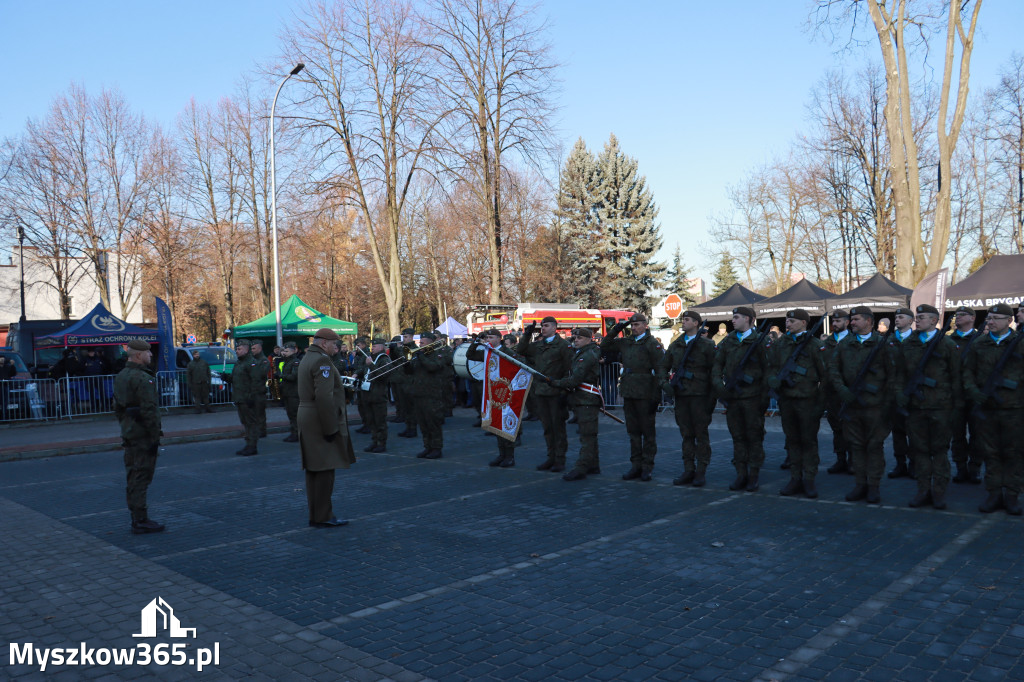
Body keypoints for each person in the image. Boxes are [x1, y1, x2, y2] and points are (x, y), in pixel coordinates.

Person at [828, 306, 899, 504]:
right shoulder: (845, 344)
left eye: (856, 319)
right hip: (852, 406)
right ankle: (860, 484)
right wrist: (842, 390)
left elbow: (893, 375)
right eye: (852, 319)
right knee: (856, 447)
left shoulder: (884, 343)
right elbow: (833, 369)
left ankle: (874, 486)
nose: (852, 322)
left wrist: (887, 403)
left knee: (874, 447)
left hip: (875, 407)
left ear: (869, 321)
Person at [897, 304, 960, 510]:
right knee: (920, 450)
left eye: (922, 317)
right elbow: (899, 374)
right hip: (916, 407)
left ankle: (939, 491)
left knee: (940, 451)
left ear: (934, 321)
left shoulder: (947, 344)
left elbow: (956, 376)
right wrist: (901, 396)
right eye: (917, 317)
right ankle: (923, 490)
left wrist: (955, 405)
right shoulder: (909, 344)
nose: (917, 320)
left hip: (941, 407)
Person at [962, 304, 1023, 514]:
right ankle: (994, 493)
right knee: (991, 453)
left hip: (1014, 410)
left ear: (1009, 321)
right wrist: (973, 391)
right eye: (989, 317)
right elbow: (967, 372)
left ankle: (1012, 496)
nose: (991, 321)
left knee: (1014, 454)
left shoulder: (1020, 343)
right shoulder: (979, 344)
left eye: (996, 318)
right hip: (987, 409)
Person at [297, 328, 354, 528]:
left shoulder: (308, 357)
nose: (336, 347)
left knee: (314, 471)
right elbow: (323, 397)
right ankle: (323, 516)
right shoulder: (322, 361)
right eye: (333, 344)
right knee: (324, 471)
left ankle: (317, 515)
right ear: (324, 343)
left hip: (309, 416)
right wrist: (331, 428)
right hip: (319, 419)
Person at [768, 309, 827, 499]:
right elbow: (772, 367)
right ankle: (795, 477)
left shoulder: (814, 344)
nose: (788, 323)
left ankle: (809, 479)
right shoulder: (781, 344)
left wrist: (820, 403)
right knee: (792, 440)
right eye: (787, 320)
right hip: (787, 400)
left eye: (792, 321)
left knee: (808, 441)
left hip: (808, 401)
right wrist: (774, 380)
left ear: (803, 323)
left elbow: (825, 376)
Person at [602, 312, 665, 481]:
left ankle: (647, 467)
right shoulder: (627, 342)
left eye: (637, 325)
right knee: (633, 432)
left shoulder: (652, 344)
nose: (634, 328)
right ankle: (635, 466)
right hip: (629, 391)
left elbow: (660, 371)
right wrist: (617, 328)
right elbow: (605, 344)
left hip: (646, 393)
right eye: (632, 325)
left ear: (645, 325)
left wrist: (657, 397)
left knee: (648, 433)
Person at [657, 310, 716, 487]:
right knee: (686, 435)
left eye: (687, 319)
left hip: (700, 396)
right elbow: (663, 366)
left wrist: (712, 398)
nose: (683, 322)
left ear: (697, 323)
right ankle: (688, 469)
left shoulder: (707, 344)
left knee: (701, 435)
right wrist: (664, 384)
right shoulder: (676, 345)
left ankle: (701, 471)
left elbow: (715, 371)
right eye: (683, 319)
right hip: (681, 396)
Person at [712, 306, 768, 492]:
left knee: (754, 437)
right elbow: (717, 365)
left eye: (736, 317)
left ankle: (754, 475)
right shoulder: (729, 341)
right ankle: (741, 474)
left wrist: (764, 398)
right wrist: (720, 388)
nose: (733, 321)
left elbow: (769, 370)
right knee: (737, 437)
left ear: (748, 319)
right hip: (733, 397)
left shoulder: (760, 340)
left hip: (752, 398)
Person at [113, 339, 164, 534]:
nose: (151, 355)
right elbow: (149, 410)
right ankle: (140, 519)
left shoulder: (122, 376)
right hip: (143, 435)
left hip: (130, 432)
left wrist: (127, 426)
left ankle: (137, 516)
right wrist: (154, 436)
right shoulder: (143, 378)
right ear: (138, 355)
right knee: (141, 477)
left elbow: (117, 408)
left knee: (133, 476)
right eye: (148, 353)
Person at [517, 316, 574, 473]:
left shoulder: (564, 346)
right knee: (547, 427)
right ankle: (551, 457)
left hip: (556, 392)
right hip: (541, 392)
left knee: (558, 428)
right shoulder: (538, 345)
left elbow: (569, 370)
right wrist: (527, 335)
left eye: (547, 325)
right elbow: (521, 350)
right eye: (542, 326)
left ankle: (560, 460)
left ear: (555, 327)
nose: (543, 328)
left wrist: (565, 392)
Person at [551, 328, 603, 481]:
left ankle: (582, 467)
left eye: (579, 338)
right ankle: (593, 464)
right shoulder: (581, 353)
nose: (576, 340)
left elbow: (575, 379)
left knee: (587, 436)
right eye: (574, 338)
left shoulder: (586, 356)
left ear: (589, 339)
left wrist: (555, 383)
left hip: (586, 399)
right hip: (582, 399)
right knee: (589, 434)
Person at [468, 329, 519, 467]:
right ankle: (501, 454)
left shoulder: (506, 351)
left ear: (499, 338)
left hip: (505, 391)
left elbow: (518, 366)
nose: (488, 339)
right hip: (492, 392)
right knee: (496, 423)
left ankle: (510, 456)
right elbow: (470, 355)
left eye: (491, 337)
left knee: (505, 425)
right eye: (487, 337)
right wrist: (476, 341)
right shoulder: (487, 351)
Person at [949, 306, 982, 484]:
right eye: (956, 315)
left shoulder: (981, 340)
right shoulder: (947, 340)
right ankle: (961, 467)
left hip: (975, 394)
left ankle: (975, 467)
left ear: (972, 318)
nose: (958, 318)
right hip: (955, 394)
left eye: (962, 315)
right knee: (958, 434)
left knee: (978, 434)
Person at [886, 307, 915, 480]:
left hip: (912, 393)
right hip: (892, 393)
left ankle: (914, 464)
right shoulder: (888, 339)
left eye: (901, 317)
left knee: (914, 431)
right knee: (897, 431)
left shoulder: (918, 340)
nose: (897, 319)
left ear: (911, 320)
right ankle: (900, 464)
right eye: (896, 317)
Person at [408, 331, 447, 459]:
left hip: (432, 394)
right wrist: (407, 361)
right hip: (418, 394)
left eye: (423, 342)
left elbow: (433, 367)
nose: (421, 344)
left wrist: (421, 357)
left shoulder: (438, 354)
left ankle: (437, 448)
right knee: (423, 423)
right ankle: (427, 447)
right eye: (420, 342)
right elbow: (410, 371)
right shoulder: (419, 356)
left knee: (433, 423)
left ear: (431, 342)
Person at [824, 309, 852, 475]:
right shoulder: (827, 342)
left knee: (851, 428)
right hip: (832, 393)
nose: (834, 324)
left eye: (838, 321)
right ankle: (840, 459)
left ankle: (853, 461)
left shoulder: (853, 340)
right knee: (837, 429)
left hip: (849, 392)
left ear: (847, 322)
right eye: (833, 321)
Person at [360, 338, 392, 453]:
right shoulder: (370, 358)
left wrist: (371, 365)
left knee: (380, 421)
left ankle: (381, 443)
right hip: (368, 394)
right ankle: (374, 441)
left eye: (375, 346)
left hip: (378, 395)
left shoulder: (384, 359)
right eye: (372, 346)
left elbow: (383, 375)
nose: (372, 348)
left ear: (381, 347)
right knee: (371, 420)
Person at [395, 329, 418, 436]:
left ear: (411, 337)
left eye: (405, 337)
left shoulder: (415, 349)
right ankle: (408, 427)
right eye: (403, 337)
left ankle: (413, 428)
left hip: (411, 381)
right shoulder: (403, 348)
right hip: (402, 380)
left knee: (411, 407)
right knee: (405, 406)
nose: (403, 339)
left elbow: (414, 366)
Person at [278, 342, 303, 442]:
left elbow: (293, 376)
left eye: (286, 351)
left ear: (293, 352)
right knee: (290, 414)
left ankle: (297, 434)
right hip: (287, 392)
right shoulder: (287, 362)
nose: (284, 353)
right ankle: (294, 433)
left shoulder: (296, 362)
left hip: (294, 393)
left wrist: (281, 376)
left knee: (295, 414)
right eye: (284, 351)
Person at [249, 340, 270, 438]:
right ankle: (255, 430)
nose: (252, 350)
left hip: (259, 390)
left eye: (254, 348)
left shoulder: (263, 360)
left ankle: (262, 431)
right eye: (251, 348)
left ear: (259, 349)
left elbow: (261, 374)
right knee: (253, 413)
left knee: (260, 413)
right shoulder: (251, 359)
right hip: (251, 390)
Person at [186, 350, 212, 414]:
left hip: (204, 382)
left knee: (206, 396)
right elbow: (189, 375)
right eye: (195, 354)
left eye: (197, 354)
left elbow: (208, 372)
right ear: (193, 355)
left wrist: (209, 381)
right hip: (196, 383)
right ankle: (198, 409)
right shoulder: (190, 364)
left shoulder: (204, 362)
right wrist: (190, 384)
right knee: (197, 397)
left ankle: (208, 408)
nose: (197, 355)